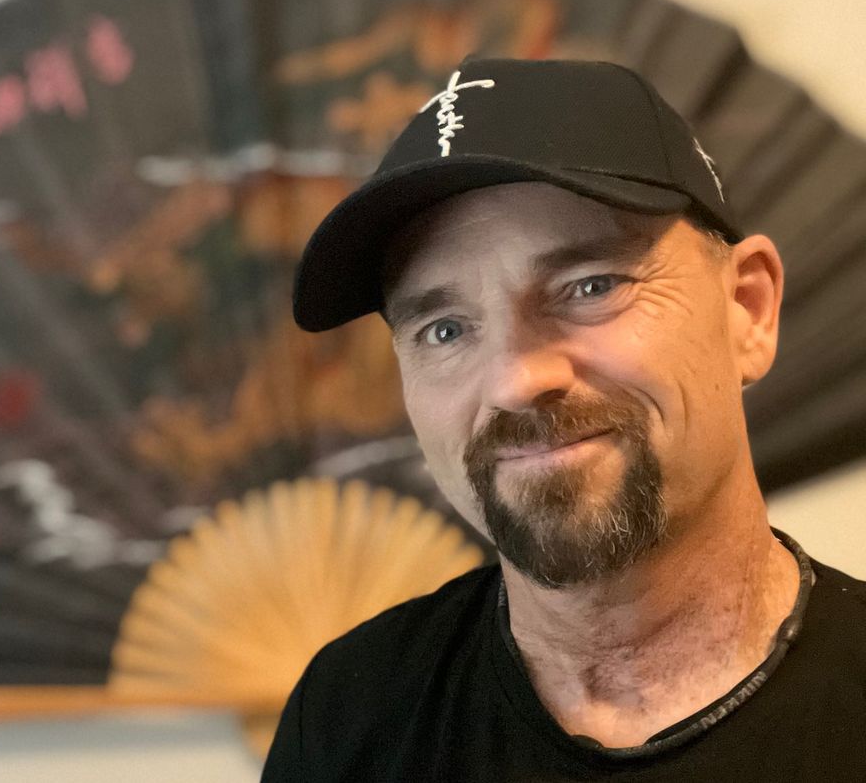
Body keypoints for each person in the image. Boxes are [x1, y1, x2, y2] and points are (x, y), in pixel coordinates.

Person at [262, 58, 866, 781]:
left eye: (590, 286)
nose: (518, 381)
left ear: (748, 309)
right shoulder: (350, 715)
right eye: (445, 330)